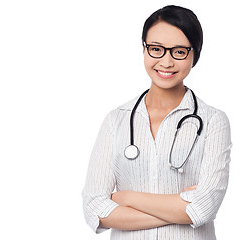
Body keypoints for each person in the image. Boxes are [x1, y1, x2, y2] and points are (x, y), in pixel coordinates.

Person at [82, 5, 232, 240]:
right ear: (144, 49)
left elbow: (204, 207)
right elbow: (95, 209)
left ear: (195, 54)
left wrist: (126, 198)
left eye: (179, 51)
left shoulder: (213, 121)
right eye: (156, 49)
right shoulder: (116, 120)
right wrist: (181, 210)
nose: (166, 61)